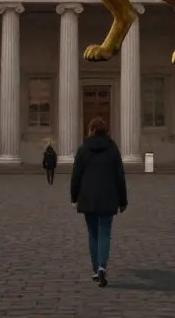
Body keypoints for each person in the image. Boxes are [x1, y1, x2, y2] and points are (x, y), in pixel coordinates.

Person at [70, 117, 127, 287]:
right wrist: (123, 200)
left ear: (90, 130)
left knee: (93, 234)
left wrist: (74, 197)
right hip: (108, 198)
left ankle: (96, 270)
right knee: (104, 234)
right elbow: (120, 177)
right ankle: (102, 266)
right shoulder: (112, 149)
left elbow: (76, 177)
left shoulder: (83, 149)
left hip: (88, 198)